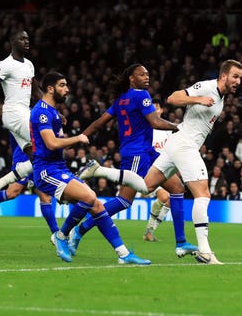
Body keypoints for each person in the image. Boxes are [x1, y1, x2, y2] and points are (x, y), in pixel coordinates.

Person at [79, 59, 242, 264]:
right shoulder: (207, 87)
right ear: (224, 76)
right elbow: (173, 98)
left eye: (240, 78)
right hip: (184, 144)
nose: (238, 81)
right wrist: (198, 99)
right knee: (203, 193)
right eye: (235, 76)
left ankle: (87, 212)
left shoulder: (221, 98)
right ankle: (205, 251)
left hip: (176, 145)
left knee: (146, 187)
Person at [70, 64, 197, 257]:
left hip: (148, 152)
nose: (147, 77)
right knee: (124, 200)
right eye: (141, 74)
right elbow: (155, 122)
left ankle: (181, 242)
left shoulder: (121, 100)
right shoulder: (141, 95)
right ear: (131, 78)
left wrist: (81, 137)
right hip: (137, 154)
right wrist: (178, 127)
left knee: (177, 188)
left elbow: (99, 122)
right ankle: (79, 231)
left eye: (147, 73)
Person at [30, 71, 149, 264]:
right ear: (50, 89)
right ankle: (61, 235)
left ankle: (123, 254)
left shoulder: (52, 112)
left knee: (97, 205)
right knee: (89, 197)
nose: (67, 89)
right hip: (45, 171)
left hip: (59, 168)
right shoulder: (42, 112)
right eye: (62, 85)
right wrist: (77, 138)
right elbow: (51, 143)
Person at [0, 30, 41, 209]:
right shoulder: (5, 64)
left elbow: (36, 92)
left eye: (28, 38)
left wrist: (53, 110)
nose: (26, 41)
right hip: (14, 112)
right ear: (13, 42)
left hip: (25, 113)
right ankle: (43, 179)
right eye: (22, 38)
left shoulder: (29, 65)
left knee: (33, 157)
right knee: (44, 142)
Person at [0, 133, 59, 240]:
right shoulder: (23, 118)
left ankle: (57, 236)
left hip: (39, 156)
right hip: (24, 155)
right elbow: (13, 133)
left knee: (45, 197)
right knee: (12, 192)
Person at [143, 99, 173, 242]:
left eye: (157, 107)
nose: (154, 110)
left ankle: (150, 231)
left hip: (167, 168)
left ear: (161, 110)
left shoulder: (167, 129)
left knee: (169, 201)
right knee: (164, 196)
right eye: (152, 108)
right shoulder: (146, 128)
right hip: (152, 169)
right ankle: (149, 231)